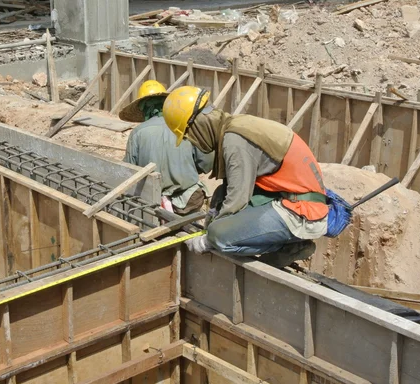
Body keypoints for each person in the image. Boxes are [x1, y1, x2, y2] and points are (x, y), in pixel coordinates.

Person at [161, 86, 329, 268]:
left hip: (300, 211)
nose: (191, 141)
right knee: (220, 197)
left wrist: (209, 239)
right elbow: (229, 193)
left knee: (220, 236)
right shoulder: (234, 127)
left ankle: (289, 248)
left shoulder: (235, 141)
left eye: (188, 134)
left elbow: (237, 200)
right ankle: (281, 245)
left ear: (198, 125)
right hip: (287, 198)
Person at [119, 80, 214, 215]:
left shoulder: (137, 133)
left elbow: (128, 170)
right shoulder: (186, 126)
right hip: (189, 199)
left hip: (150, 201)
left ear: (143, 108)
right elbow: (206, 164)